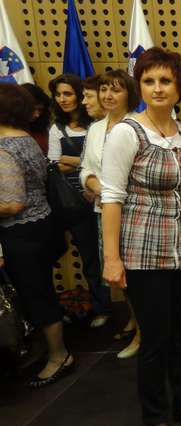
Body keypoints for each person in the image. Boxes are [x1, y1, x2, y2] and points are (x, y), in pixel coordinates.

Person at [101, 47, 181, 426]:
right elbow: (111, 197)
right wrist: (112, 258)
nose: (157, 88)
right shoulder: (126, 133)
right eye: (149, 81)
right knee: (155, 339)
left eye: (165, 80)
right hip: (144, 254)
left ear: (179, 87)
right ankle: (155, 417)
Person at [0, 84, 75, 388]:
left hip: (22, 232)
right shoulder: (26, 138)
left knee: (37, 294)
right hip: (41, 225)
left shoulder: (5, 148)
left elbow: (13, 203)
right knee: (41, 290)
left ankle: (59, 356)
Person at [80, 69, 142, 351]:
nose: (107, 95)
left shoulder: (138, 126)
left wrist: (111, 193)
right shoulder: (95, 128)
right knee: (119, 275)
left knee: (136, 278)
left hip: (133, 212)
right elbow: (86, 168)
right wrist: (95, 185)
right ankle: (134, 320)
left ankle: (142, 333)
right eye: (104, 89)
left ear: (129, 94)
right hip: (103, 209)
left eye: (115, 90)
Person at [48, 74, 108, 325]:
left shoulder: (98, 124)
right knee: (88, 258)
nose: (63, 99)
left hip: (101, 198)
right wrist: (84, 163)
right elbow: (55, 165)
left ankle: (109, 307)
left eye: (68, 94)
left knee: (104, 257)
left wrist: (72, 160)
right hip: (73, 202)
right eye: (58, 95)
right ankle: (99, 307)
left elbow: (104, 160)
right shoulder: (56, 129)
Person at [21, 83, 51, 156]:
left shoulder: (43, 128)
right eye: (32, 109)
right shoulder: (5, 130)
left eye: (40, 110)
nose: (37, 115)